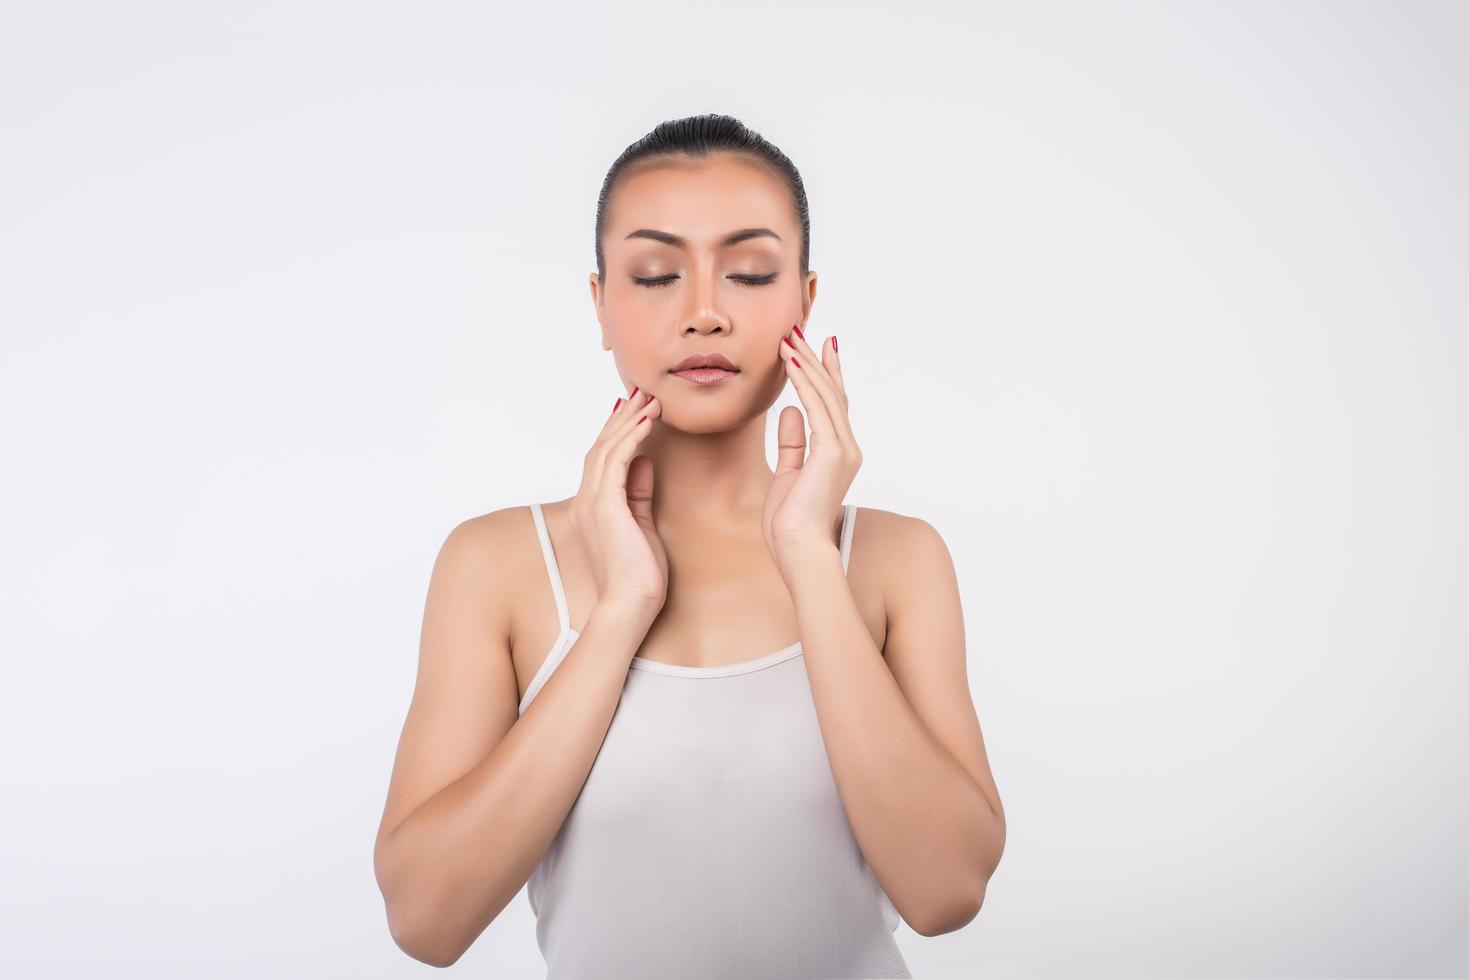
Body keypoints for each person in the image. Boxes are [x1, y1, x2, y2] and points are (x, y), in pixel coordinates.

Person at [372, 113, 1006, 978]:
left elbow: (946, 893)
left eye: (747, 273)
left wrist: (809, 557)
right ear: (600, 304)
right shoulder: (496, 566)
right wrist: (622, 610)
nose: (704, 313)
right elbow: (426, 919)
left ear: (803, 302)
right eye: (655, 274)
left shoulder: (897, 563)